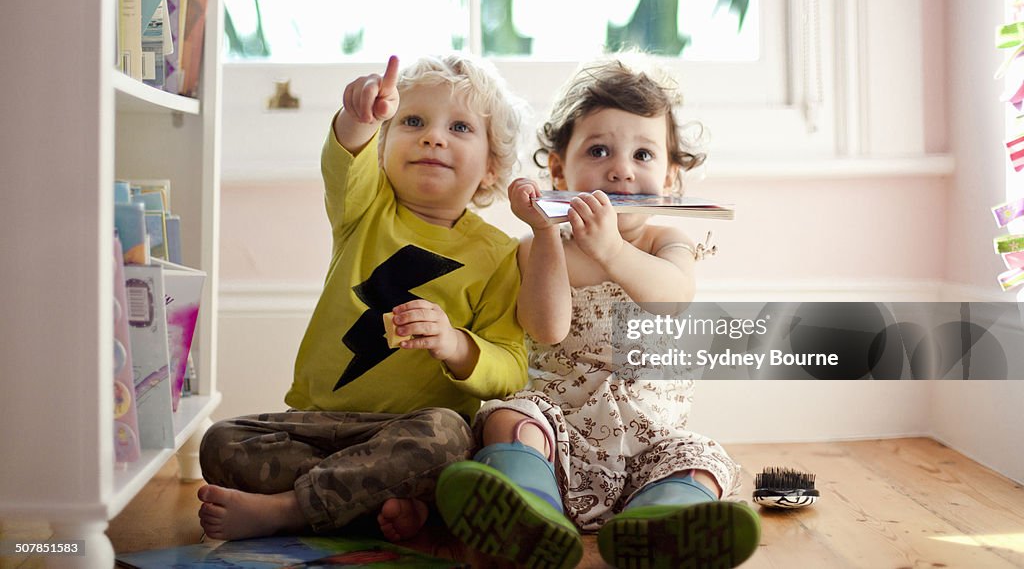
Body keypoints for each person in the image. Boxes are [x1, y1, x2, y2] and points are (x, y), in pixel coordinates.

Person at [435, 55, 761, 569]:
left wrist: (612, 251)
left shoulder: (666, 241)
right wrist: (545, 233)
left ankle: (660, 523)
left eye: (644, 154)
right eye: (600, 150)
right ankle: (529, 511)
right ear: (560, 169)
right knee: (505, 418)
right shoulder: (540, 246)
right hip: (558, 428)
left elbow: (671, 299)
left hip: (651, 436)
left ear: (672, 179)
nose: (621, 168)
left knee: (698, 462)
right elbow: (547, 326)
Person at [197, 54, 529, 544]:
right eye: (412, 122)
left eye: (460, 127)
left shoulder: (501, 256)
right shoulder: (364, 209)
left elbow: (512, 366)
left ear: (491, 168)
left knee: (449, 440)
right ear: (384, 146)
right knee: (220, 442)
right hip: (314, 423)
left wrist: (454, 342)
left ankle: (290, 509)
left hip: (409, 432)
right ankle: (381, 503)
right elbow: (344, 158)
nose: (432, 136)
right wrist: (359, 118)